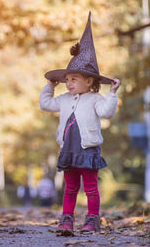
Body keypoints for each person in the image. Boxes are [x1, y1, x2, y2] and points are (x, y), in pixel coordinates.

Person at [39, 12, 121, 232]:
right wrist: (50, 85)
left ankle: (92, 220)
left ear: (89, 80)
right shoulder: (64, 99)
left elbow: (107, 113)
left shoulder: (95, 99)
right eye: (66, 80)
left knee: (91, 188)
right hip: (68, 150)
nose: (68, 83)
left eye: (73, 79)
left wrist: (112, 93)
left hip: (88, 150)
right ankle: (66, 219)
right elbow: (45, 104)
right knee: (70, 188)